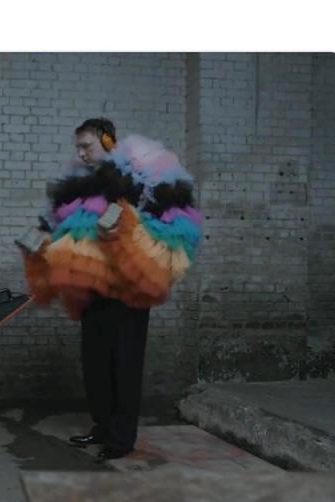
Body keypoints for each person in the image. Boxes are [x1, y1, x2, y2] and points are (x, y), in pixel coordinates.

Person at [21, 117, 202, 460]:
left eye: (86, 146)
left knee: (125, 364)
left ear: (107, 141)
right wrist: (39, 237)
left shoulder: (143, 179)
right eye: (78, 147)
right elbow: (60, 221)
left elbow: (167, 229)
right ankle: (101, 426)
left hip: (129, 289)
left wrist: (126, 229)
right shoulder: (82, 183)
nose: (81, 153)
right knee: (95, 362)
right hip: (94, 290)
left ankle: (121, 439)